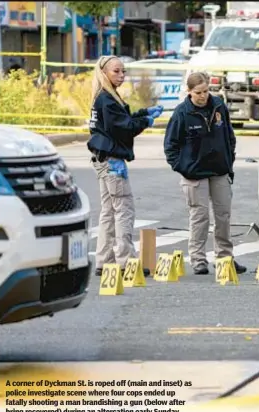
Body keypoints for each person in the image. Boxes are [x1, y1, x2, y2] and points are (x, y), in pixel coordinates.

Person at [164, 72, 246, 276]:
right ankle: (198, 259)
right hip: (195, 174)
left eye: (206, 91)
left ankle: (225, 257)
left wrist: (229, 161)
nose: (203, 96)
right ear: (189, 92)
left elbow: (229, 136)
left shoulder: (218, 106)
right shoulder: (182, 113)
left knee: (223, 216)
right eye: (198, 92)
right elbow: (170, 146)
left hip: (219, 170)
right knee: (199, 217)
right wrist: (183, 167)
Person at [87, 55, 162, 277]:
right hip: (111, 161)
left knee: (109, 212)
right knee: (124, 210)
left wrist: (142, 114)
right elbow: (124, 127)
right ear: (104, 73)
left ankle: (104, 260)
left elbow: (123, 120)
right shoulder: (106, 99)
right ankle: (126, 262)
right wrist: (145, 122)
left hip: (104, 159)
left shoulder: (106, 96)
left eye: (123, 71)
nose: (121, 75)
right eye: (116, 71)